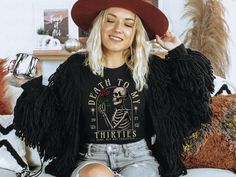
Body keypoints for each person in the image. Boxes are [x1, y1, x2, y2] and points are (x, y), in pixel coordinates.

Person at [13, 0, 215, 177]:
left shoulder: (152, 68)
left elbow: (194, 96)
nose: (118, 29)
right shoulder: (75, 67)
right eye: (110, 20)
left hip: (139, 156)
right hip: (91, 157)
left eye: (128, 24)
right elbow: (53, 115)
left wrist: (178, 50)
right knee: (96, 174)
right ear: (99, 25)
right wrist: (31, 86)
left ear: (135, 33)